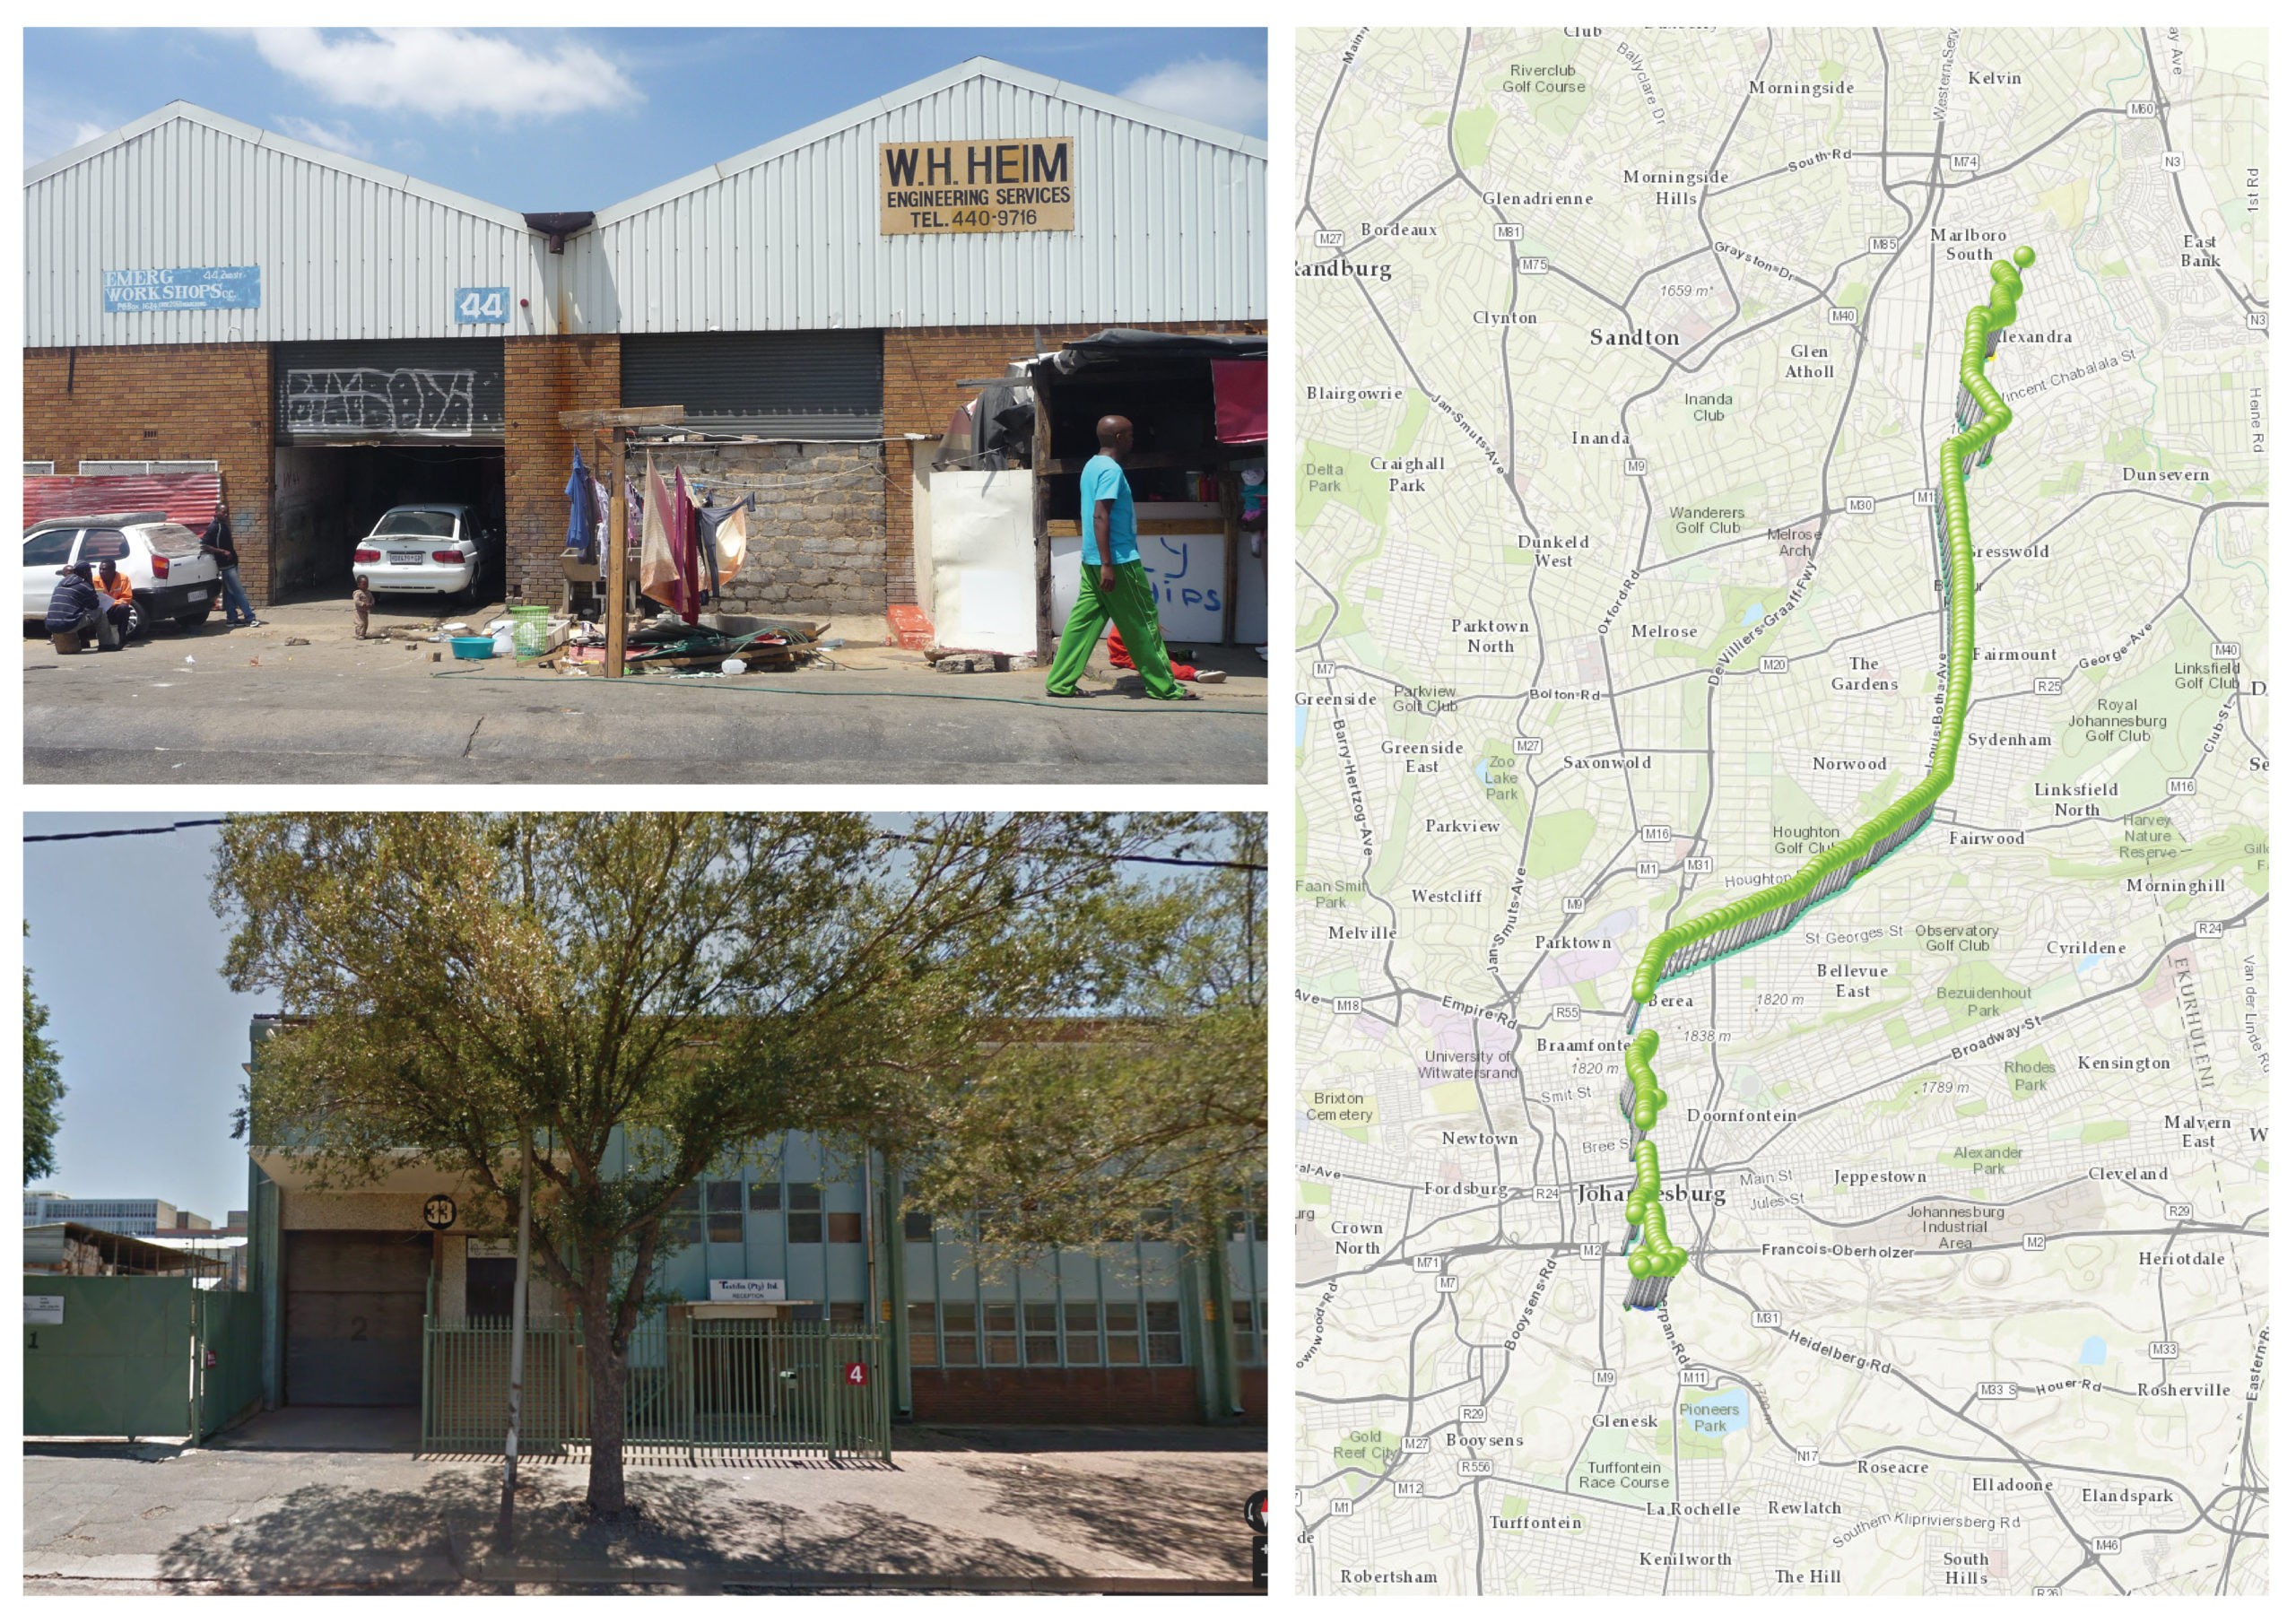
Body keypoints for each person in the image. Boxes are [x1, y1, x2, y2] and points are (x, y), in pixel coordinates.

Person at [1044, 415, 1189, 700]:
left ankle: (1060, 682)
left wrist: (1100, 561)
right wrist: (1109, 564)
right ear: (1120, 438)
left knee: (1083, 622)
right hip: (1118, 562)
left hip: (1092, 560)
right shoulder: (1110, 470)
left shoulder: (1092, 466)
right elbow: (1101, 515)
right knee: (1143, 622)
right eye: (1131, 434)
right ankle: (1164, 687)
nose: (1134, 439)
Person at [203, 506, 259, 628]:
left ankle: (232, 619)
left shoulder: (222, 525)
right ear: (216, 512)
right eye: (223, 512)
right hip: (226, 566)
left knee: (229, 593)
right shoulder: (214, 527)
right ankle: (250, 617)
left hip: (231, 564)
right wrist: (222, 552)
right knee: (238, 592)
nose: (226, 515)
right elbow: (204, 545)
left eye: (227, 512)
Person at [1109, 626, 1224, 684]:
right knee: (1161, 662)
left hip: (1127, 651)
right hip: (1126, 655)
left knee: (1162, 653)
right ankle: (1196, 674)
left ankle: (1175, 655)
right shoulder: (1132, 613)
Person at [45, 562, 109, 652]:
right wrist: (90, 584)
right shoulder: (84, 585)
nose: (91, 574)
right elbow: (94, 605)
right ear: (86, 573)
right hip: (68, 625)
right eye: (90, 572)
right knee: (100, 612)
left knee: (77, 613)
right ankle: (106, 644)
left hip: (51, 625)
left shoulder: (60, 584)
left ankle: (84, 642)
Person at [93, 558, 137, 646]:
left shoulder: (123, 579)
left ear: (113, 570)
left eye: (104, 569)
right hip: (101, 609)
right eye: (100, 569)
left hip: (115, 608)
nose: (101, 571)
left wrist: (111, 603)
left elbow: (126, 598)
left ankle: (122, 639)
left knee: (124, 608)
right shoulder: (95, 580)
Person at [352, 574, 375, 640]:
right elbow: (356, 601)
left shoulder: (368, 592)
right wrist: (363, 604)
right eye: (364, 584)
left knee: (365, 623)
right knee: (360, 623)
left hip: (365, 611)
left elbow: (372, 599)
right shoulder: (358, 593)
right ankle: (359, 634)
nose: (366, 586)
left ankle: (363, 634)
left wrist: (372, 603)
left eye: (367, 584)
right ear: (359, 585)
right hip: (358, 611)